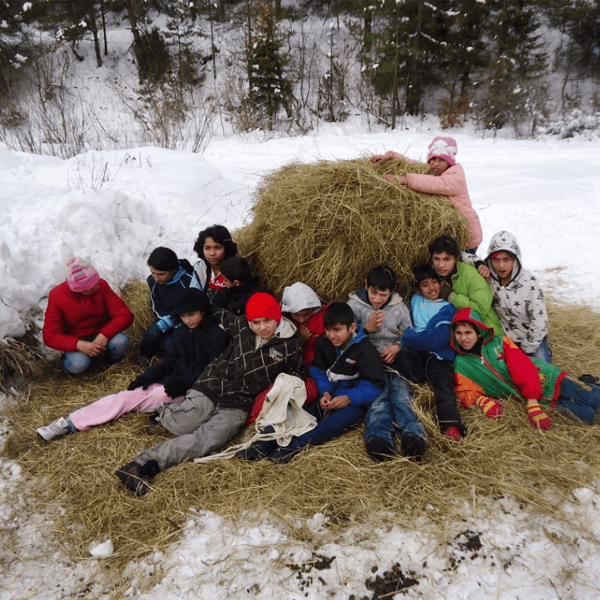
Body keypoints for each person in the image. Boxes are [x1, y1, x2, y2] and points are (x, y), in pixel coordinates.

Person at [115, 292, 304, 495]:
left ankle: (143, 465)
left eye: (267, 320)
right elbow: (215, 311)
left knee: (207, 440)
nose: (262, 327)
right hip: (213, 384)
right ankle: (164, 412)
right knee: (183, 424)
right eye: (256, 322)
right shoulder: (242, 327)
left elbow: (296, 375)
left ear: (277, 317)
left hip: (238, 402)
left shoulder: (292, 345)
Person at [37, 289, 230, 441]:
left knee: (149, 397)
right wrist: (148, 375)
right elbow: (172, 360)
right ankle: (68, 422)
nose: (187, 319)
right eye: (182, 316)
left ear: (203, 311)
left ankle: (160, 412)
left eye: (191, 314)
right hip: (174, 383)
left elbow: (214, 369)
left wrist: (184, 383)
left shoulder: (217, 335)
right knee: (124, 398)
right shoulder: (182, 332)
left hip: (196, 389)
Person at [261, 302, 386, 463]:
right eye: (328, 330)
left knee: (333, 424)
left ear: (352, 328)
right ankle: (264, 441)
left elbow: (373, 384)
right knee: (302, 413)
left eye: (337, 330)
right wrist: (325, 391)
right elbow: (317, 370)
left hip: (352, 401)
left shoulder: (366, 350)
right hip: (330, 394)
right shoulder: (324, 342)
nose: (332, 335)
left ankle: (292, 446)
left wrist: (349, 398)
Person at [451, 308, 600, 430]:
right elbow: (465, 391)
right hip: (524, 397)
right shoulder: (461, 364)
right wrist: (482, 401)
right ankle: (584, 382)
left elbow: (523, 368)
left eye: (468, 332)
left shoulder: (500, 343)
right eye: (459, 333)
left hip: (544, 379)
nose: (464, 338)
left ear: (478, 332)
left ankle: (590, 385)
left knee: (593, 398)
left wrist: (533, 403)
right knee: (587, 415)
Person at [346, 266, 425, 460]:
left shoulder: (399, 308)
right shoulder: (354, 306)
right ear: (366, 285)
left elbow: (409, 334)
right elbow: (344, 339)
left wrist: (397, 347)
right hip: (368, 364)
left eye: (383, 294)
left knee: (401, 394)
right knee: (378, 398)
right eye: (373, 292)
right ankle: (378, 437)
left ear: (391, 292)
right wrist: (366, 328)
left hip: (396, 363)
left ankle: (413, 434)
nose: (378, 299)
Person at [237, 282, 326, 453]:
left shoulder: (321, 318)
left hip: (309, 372)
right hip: (282, 370)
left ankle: (268, 430)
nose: (301, 319)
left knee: (305, 393)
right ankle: (254, 423)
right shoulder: (281, 325)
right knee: (275, 390)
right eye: (296, 315)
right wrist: (299, 340)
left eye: (305, 314)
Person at [370, 136, 482, 252]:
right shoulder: (435, 170)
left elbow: (436, 183)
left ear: (449, 162)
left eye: (441, 160)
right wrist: (393, 156)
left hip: (467, 237)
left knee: (460, 267)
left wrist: (405, 179)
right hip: (450, 234)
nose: (435, 164)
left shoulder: (455, 177)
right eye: (432, 160)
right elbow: (414, 165)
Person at [396, 264, 467, 442]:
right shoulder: (414, 300)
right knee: (402, 358)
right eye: (425, 284)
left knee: (444, 384)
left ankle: (451, 424)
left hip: (439, 355)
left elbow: (438, 339)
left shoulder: (447, 307)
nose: (432, 287)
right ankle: (421, 382)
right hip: (418, 354)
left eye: (435, 282)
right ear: (417, 288)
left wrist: (409, 337)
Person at [465, 231, 552, 363]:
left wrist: (526, 350)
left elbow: (540, 322)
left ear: (515, 259)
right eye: (496, 259)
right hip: (505, 340)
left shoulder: (529, 283)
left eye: (507, 259)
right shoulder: (489, 275)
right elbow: (460, 255)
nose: (501, 266)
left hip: (531, 340)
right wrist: (478, 263)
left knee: (543, 375)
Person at [42, 256, 134, 374]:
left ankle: (110, 363)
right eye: (91, 286)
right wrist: (78, 344)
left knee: (121, 342)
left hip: (102, 333)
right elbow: (50, 336)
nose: (96, 285)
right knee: (78, 364)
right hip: (78, 340)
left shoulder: (101, 285)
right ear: (79, 289)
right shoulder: (57, 296)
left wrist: (104, 334)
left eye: (96, 281)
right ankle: (77, 368)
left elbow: (125, 315)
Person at [429, 235, 503, 336]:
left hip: (487, 332)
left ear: (456, 259)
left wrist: (451, 296)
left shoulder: (471, 274)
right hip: (461, 335)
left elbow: (480, 310)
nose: (441, 265)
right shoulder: (435, 276)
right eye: (436, 259)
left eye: (447, 259)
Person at [140, 246, 195, 358]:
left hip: (184, 321)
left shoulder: (188, 281)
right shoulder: (155, 282)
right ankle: (143, 358)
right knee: (151, 334)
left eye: (160, 274)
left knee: (169, 344)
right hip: (166, 319)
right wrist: (165, 320)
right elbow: (155, 305)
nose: (156, 278)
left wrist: (177, 321)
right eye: (153, 273)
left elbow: (194, 307)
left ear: (173, 270)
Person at [191, 224, 238, 296]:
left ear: (226, 248)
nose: (212, 253)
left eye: (217, 248)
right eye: (207, 248)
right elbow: (194, 294)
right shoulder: (199, 268)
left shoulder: (236, 268)